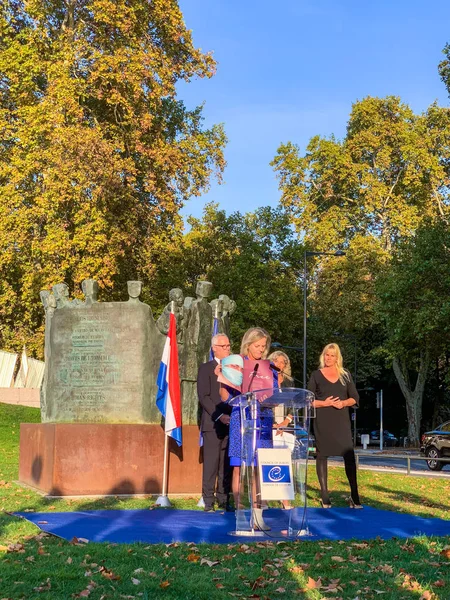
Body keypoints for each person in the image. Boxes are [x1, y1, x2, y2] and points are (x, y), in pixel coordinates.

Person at [224, 327, 277, 529]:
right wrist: (222, 380)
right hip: (242, 419)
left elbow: (275, 393)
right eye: (257, 346)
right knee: (239, 466)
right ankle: (239, 512)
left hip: (262, 420)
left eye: (264, 346)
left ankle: (258, 515)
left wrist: (273, 397)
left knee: (258, 469)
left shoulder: (268, 367)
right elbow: (226, 397)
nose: (261, 350)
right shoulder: (237, 364)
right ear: (248, 345)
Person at [307, 343, 362, 509]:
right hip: (323, 421)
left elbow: (355, 398)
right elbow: (308, 400)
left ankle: (355, 495)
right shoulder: (316, 375)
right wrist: (325, 403)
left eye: (332, 355)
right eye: (326, 355)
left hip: (341, 421)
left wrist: (343, 403)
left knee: (349, 454)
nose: (328, 358)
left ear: (338, 357)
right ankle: (325, 496)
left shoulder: (345, 375)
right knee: (322, 455)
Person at [197, 333, 233, 512]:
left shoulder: (234, 369)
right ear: (214, 348)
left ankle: (224, 499)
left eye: (228, 345)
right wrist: (219, 416)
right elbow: (204, 397)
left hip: (232, 423)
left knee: (226, 465)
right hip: (213, 424)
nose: (228, 348)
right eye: (224, 346)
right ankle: (208, 501)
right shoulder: (206, 368)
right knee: (211, 464)